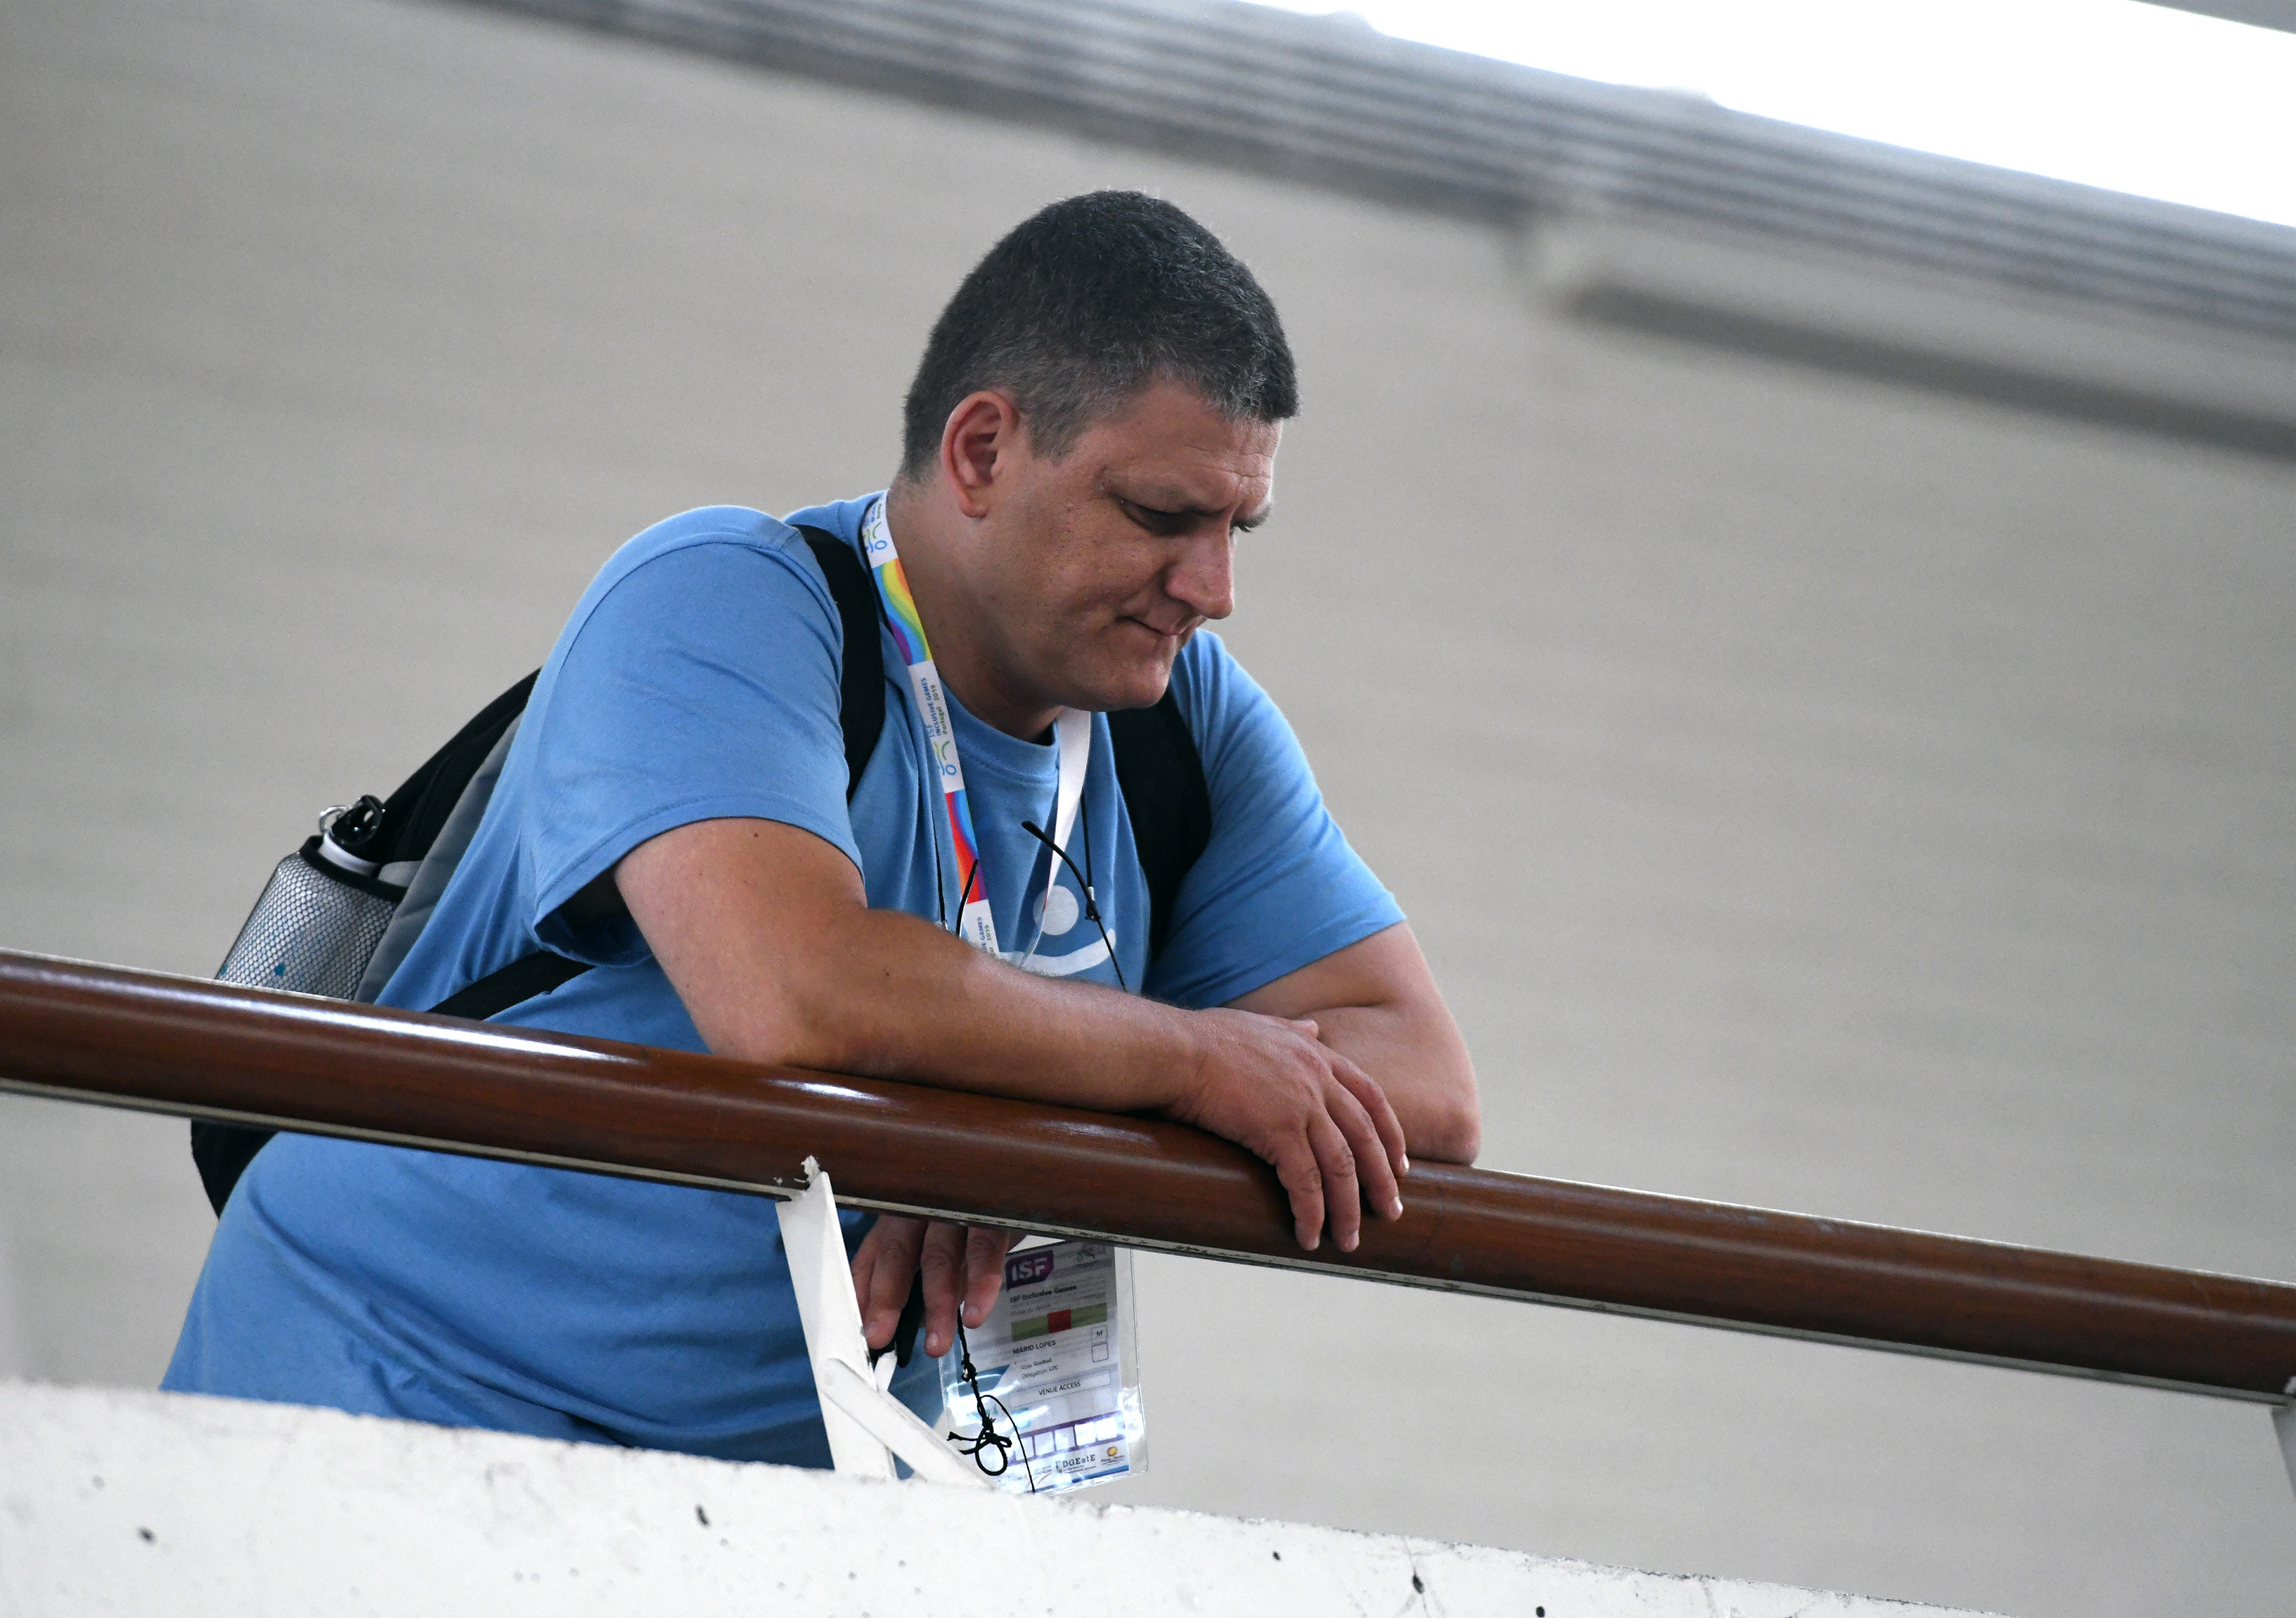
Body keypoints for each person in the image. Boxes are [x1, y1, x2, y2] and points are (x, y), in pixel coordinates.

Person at [164, 190, 1478, 1464]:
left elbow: (1424, 1083)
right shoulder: (719, 595)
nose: (1216, 587)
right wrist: (1180, 1066)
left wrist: (1020, 1148)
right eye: (1161, 516)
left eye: (1240, 526)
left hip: (782, 1497)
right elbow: (794, 993)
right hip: (388, 1389)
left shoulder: (1187, 720)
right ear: (981, 451)